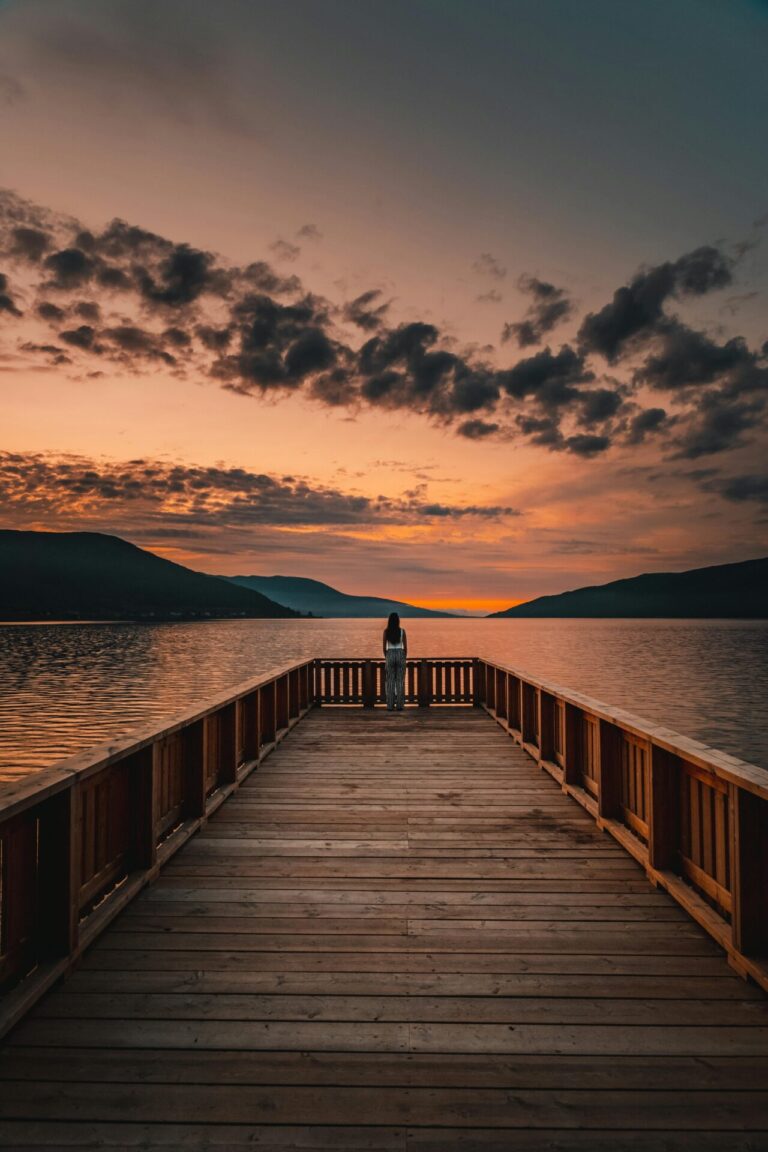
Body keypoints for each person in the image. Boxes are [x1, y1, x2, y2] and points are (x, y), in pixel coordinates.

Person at [382, 611, 407, 711]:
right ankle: (400, 705)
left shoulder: (386, 631)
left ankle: (390, 706)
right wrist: (403, 657)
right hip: (400, 653)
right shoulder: (402, 631)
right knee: (400, 681)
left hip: (390, 654)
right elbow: (406, 648)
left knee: (390, 681)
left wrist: (387, 657)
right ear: (398, 621)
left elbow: (384, 647)